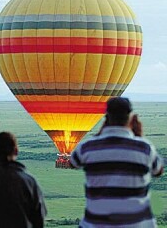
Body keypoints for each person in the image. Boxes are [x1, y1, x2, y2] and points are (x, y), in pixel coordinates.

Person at [70, 97, 163, 228]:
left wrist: (99, 134)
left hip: (95, 224)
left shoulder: (87, 147)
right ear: (130, 117)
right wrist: (139, 136)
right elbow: (158, 171)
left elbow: (73, 163)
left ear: (107, 117)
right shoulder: (144, 148)